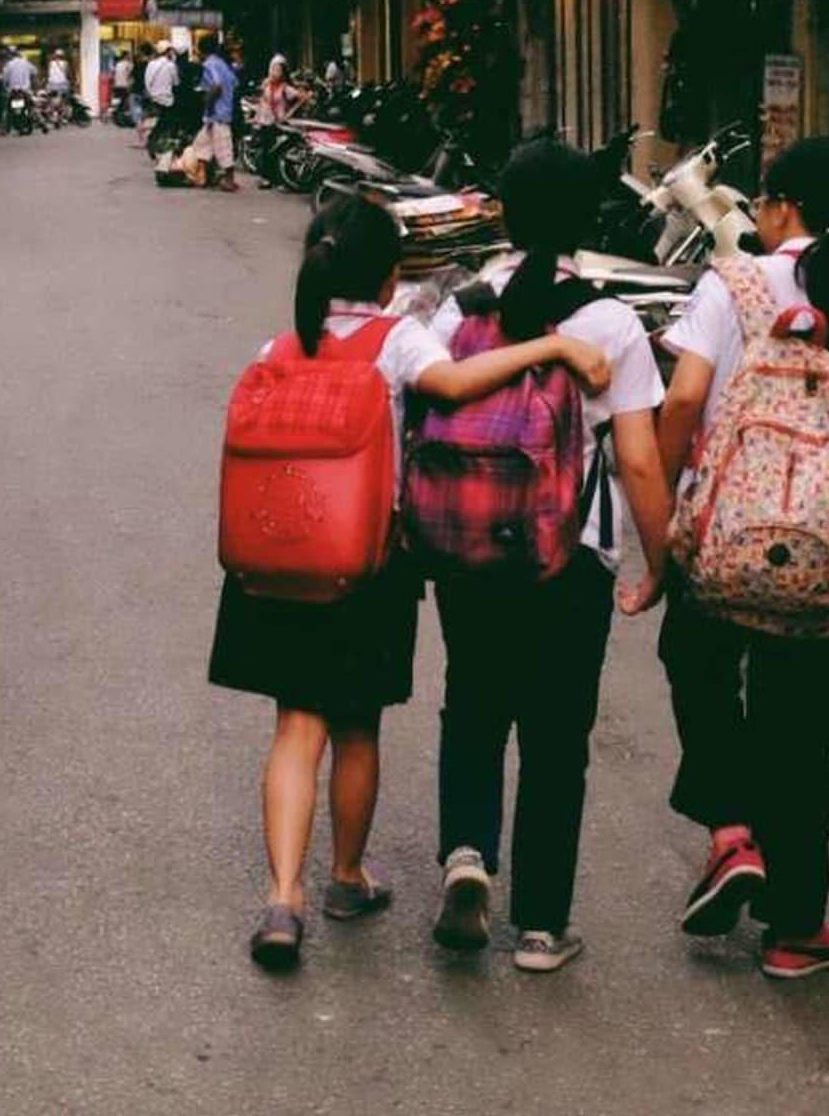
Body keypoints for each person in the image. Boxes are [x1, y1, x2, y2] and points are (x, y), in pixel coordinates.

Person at [211, 195, 613, 971]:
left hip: (275, 559)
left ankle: (283, 897)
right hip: (366, 564)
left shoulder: (278, 344)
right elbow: (459, 384)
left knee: (297, 725)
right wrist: (549, 352)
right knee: (356, 724)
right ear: (390, 276)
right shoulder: (399, 341)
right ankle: (346, 877)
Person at [654, 136, 829, 981]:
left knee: (694, 665)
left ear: (777, 207)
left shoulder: (728, 284)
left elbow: (686, 395)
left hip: (718, 543)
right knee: (800, 737)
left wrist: (664, 508)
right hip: (820, 565)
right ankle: (795, 930)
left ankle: (730, 833)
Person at [425, 142, 672, 973]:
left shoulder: (457, 308)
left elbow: (416, 407)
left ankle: (466, 853)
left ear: (502, 210)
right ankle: (538, 924)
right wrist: (661, 560)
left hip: (463, 546)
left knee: (473, 705)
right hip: (572, 557)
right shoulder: (607, 321)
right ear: (586, 222)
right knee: (556, 734)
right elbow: (638, 459)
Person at [191, 34, 240, 191]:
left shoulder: (209, 64)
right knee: (202, 144)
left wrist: (208, 101)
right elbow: (234, 82)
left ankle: (229, 180)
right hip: (223, 110)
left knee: (222, 146)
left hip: (217, 112)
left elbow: (216, 85)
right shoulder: (223, 63)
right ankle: (203, 175)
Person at [141, 41, 178, 143]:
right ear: (168, 51)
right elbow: (176, 82)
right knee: (168, 120)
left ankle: (154, 138)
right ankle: (157, 138)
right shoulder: (171, 65)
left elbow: (147, 81)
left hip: (153, 97)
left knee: (160, 118)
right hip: (167, 99)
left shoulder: (151, 64)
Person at [255, 55, 304, 129]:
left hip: (279, 125)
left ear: (283, 73)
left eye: (278, 70)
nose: (274, 73)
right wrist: (257, 119)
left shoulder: (285, 88)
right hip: (264, 123)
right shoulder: (266, 85)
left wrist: (289, 114)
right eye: (273, 69)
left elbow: (303, 98)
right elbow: (262, 103)